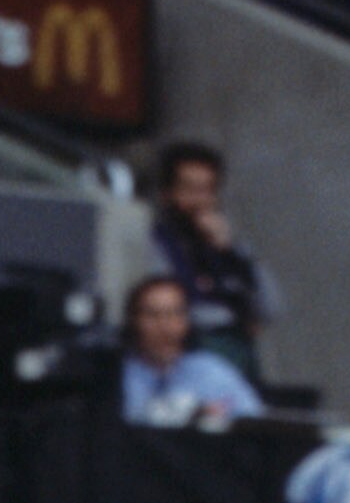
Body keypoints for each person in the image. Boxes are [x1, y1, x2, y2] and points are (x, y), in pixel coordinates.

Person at [146, 139, 277, 379]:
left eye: (207, 190)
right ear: (167, 194)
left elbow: (271, 306)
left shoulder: (228, 247)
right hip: (188, 358)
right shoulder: (154, 245)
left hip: (237, 357)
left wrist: (235, 253)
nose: (200, 201)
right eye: (189, 190)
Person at [118, 277, 262, 429]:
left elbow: (254, 423)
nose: (165, 325)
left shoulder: (211, 371)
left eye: (175, 314)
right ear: (133, 321)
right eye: (152, 315)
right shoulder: (116, 377)